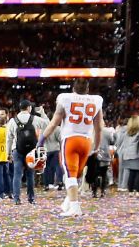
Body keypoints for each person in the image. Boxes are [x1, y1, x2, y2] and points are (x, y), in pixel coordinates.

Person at [36, 83, 104, 218]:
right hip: (86, 141)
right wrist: (96, 147)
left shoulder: (65, 98)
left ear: (73, 89)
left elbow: (54, 123)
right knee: (76, 174)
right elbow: (99, 128)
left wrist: (41, 140)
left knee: (70, 174)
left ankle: (74, 207)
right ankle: (68, 202)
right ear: (88, 89)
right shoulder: (96, 100)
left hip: (70, 140)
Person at [7, 101, 40, 204]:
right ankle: (31, 198)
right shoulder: (35, 119)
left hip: (17, 150)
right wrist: (42, 113)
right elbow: (47, 123)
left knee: (17, 175)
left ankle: (16, 198)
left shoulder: (13, 121)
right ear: (29, 107)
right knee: (30, 175)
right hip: (31, 151)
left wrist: (8, 153)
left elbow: (9, 138)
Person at [117, 115, 139, 197]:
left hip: (127, 155)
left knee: (131, 173)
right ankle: (138, 192)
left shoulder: (127, 131)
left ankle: (130, 191)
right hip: (137, 155)